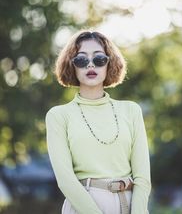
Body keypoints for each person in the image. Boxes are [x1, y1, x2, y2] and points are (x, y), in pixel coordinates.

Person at [45, 30, 151, 214]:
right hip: (82, 208)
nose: (91, 65)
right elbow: (65, 180)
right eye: (81, 59)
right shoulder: (58, 116)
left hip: (128, 205)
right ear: (72, 65)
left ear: (109, 63)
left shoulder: (131, 110)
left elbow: (142, 178)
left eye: (99, 59)